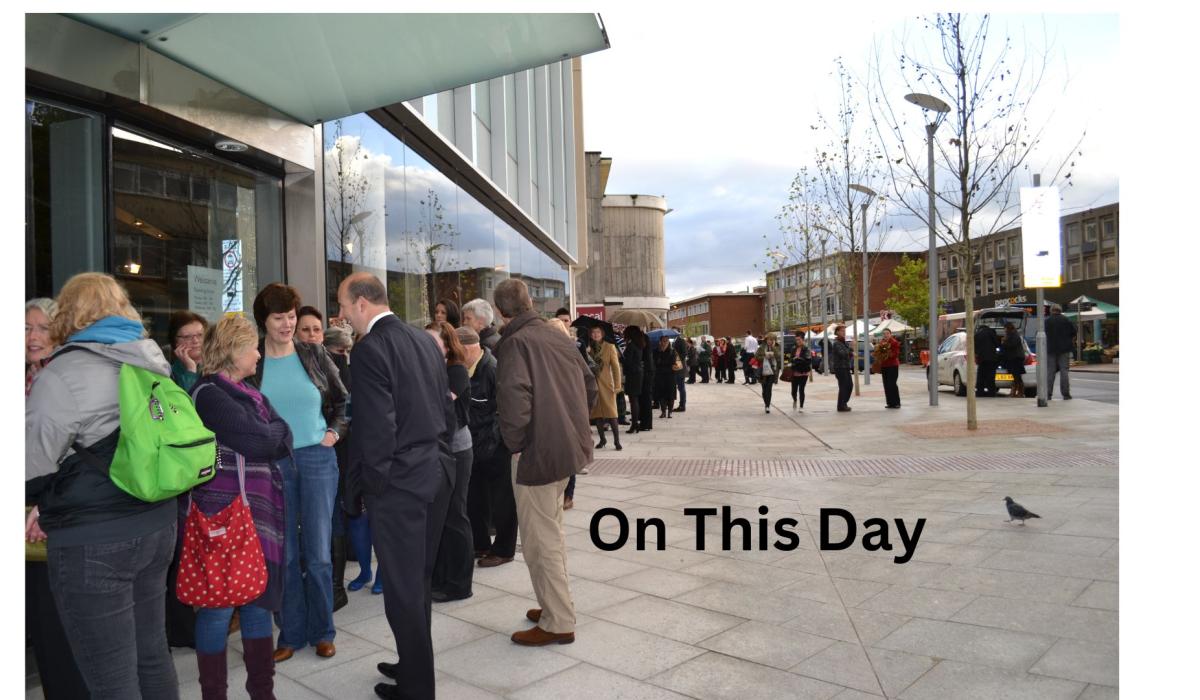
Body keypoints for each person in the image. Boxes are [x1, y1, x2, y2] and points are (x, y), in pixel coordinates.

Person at [26, 272, 180, 698]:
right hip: (156, 522)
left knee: (111, 678)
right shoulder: (149, 357)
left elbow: (31, 463)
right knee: (152, 655)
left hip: (94, 541)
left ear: (69, 314)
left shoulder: (64, 372)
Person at [336, 272, 453, 700]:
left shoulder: (369, 350)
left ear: (363, 303)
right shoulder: (425, 340)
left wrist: (372, 487)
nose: (344, 315)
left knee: (403, 591)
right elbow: (445, 409)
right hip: (434, 473)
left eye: (345, 306)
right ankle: (412, 665)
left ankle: (418, 688)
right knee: (416, 583)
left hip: (399, 485)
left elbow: (376, 430)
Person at [189, 315, 293, 700]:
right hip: (223, 515)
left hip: (256, 514)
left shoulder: (250, 392)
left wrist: (272, 435)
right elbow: (265, 441)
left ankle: (262, 693)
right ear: (234, 350)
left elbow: (282, 434)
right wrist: (272, 435)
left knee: (257, 603)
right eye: (253, 346)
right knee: (218, 607)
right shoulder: (209, 394)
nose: (259, 353)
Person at [493, 278, 597, 647]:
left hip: (536, 455)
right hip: (563, 450)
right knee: (550, 533)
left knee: (541, 540)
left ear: (500, 311)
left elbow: (513, 399)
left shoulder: (515, 343)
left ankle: (558, 621)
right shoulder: (557, 335)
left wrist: (516, 444)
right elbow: (590, 386)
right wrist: (570, 423)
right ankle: (557, 605)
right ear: (530, 302)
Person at [249, 283, 348, 663]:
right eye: (280, 317)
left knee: (319, 552)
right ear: (264, 321)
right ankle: (290, 633)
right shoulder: (253, 363)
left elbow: (344, 401)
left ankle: (323, 632)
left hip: (318, 460)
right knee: (284, 554)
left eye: (292, 316)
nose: (288, 324)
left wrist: (334, 432)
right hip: (273, 465)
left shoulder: (314, 353)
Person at [25, 297, 90, 700]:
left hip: (58, 517)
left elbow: (83, 452)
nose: (32, 337)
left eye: (42, 328)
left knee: (63, 627)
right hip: (26, 516)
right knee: (43, 627)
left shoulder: (70, 380)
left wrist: (46, 504)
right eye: (25, 328)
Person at [457, 326, 518, 569]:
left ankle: (504, 549)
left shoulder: (491, 368)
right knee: (475, 499)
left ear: (468, 348)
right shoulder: (465, 370)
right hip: (474, 446)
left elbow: (503, 409)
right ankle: (480, 544)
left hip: (494, 446)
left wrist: (493, 441)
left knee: (503, 501)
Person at [425, 321, 476, 603]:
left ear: (448, 343)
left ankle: (459, 584)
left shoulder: (456, 369)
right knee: (440, 518)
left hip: (456, 449)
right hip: (436, 451)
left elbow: (437, 403)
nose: (430, 346)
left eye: (435, 341)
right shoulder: (430, 368)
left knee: (455, 515)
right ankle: (441, 578)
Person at [322, 324, 354, 610]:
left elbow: (346, 405)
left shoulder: (340, 368)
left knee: (336, 515)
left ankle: (336, 585)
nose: (343, 356)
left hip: (340, 447)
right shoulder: (314, 365)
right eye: (339, 351)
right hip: (324, 449)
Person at [587, 326, 624, 450]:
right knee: (597, 415)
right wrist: (586, 352)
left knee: (612, 414)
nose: (595, 334)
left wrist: (618, 385)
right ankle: (602, 439)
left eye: (598, 332)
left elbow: (615, 367)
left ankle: (617, 441)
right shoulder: (588, 347)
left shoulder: (609, 346)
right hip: (593, 385)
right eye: (593, 332)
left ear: (602, 333)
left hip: (607, 385)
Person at [168, 310, 208, 393]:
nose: (195, 341)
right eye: (187, 337)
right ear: (175, 342)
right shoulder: (170, 375)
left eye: (200, 335)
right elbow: (190, 402)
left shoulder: (215, 366)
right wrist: (191, 370)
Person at [1044, 304, 1076, 400]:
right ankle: (1066, 394)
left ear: (1051, 311)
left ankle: (1048, 394)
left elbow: (1042, 332)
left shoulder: (1047, 321)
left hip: (1051, 349)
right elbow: (1074, 332)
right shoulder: (1066, 320)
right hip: (1064, 349)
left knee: (1050, 372)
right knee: (1064, 371)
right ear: (1060, 310)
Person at [621, 326, 646, 434]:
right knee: (634, 400)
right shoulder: (639, 344)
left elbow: (628, 362)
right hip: (638, 373)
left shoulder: (631, 345)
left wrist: (620, 357)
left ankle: (634, 424)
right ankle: (635, 423)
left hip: (633, 375)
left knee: (633, 400)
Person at [654, 335, 680, 419]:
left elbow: (679, 364)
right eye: (663, 341)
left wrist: (675, 366)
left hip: (670, 376)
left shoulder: (673, 351)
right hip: (660, 375)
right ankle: (663, 412)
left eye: (666, 341)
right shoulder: (656, 351)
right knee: (661, 395)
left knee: (671, 395)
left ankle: (670, 412)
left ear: (668, 342)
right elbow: (653, 363)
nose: (664, 342)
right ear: (660, 341)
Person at [755, 334, 782, 413]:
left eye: (771, 340)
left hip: (772, 371)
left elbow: (778, 356)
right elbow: (756, 356)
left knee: (769, 389)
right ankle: (766, 403)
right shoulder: (762, 347)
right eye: (768, 340)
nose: (769, 341)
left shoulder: (777, 347)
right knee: (764, 389)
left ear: (774, 340)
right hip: (763, 371)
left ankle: (767, 406)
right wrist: (764, 357)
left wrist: (773, 348)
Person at [830, 324, 853, 412]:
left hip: (846, 367)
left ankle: (843, 403)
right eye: (842, 331)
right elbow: (842, 354)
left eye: (844, 331)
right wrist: (850, 349)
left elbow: (848, 355)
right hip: (840, 368)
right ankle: (841, 406)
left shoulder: (845, 342)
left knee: (850, 385)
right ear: (837, 332)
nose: (844, 332)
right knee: (843, 386)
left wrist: (851, 352)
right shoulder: (836, 343)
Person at [975, 322, 1001, 398]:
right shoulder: (991, 332)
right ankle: (991, 392)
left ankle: (980, 392)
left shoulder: (977, 334)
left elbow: (974, 346)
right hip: (992, 359)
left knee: (981, 375)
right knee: (991, 376)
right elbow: (997, 344)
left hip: (981, 359)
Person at [878, 328, 902, 409]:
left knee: (892, 384)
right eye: (884, 334)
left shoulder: (894, 342)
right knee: (886, 384)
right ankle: (890, 403)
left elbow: (896, 354)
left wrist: (888, 353)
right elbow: (879, 352)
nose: (886, 335)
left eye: (887, 333)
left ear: (890, 334)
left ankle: (896, 403)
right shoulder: (881, 342)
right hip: (884, 366)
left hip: (893, 365)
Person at [1002, 322, 1027, 398]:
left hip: (1016, 358)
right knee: (1015, 376)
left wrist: (1004, 341)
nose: (1004, 330)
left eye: (1005, 328)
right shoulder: (1013, 334)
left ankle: (1020, 392)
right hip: (1013, 358)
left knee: (1016, 376)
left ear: (1008, 328)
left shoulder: (1014, 335)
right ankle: (1015, 391)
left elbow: (1011, 345)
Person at [790, 341, 813, 411]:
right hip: (794, 372)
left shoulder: (806, 349)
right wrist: (793, 360)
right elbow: (790, 359)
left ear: (803, 340)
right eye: (796, 340)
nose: (798, 341)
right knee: (793, 391)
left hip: (803, 372)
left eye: (799, 339)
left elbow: (809, 360)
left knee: (801, 389)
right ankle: (795, 400)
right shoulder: (793, 348)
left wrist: (800, 360)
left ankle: (801, 406)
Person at [672, 330, 688, 411]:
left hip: (680, 367)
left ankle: (682, 405)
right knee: (679, 387)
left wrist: (676, 360)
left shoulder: (681, 341)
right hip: (676, 367)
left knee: (681, 387)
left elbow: (684, 353)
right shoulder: (674, 341)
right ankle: (681, 404)